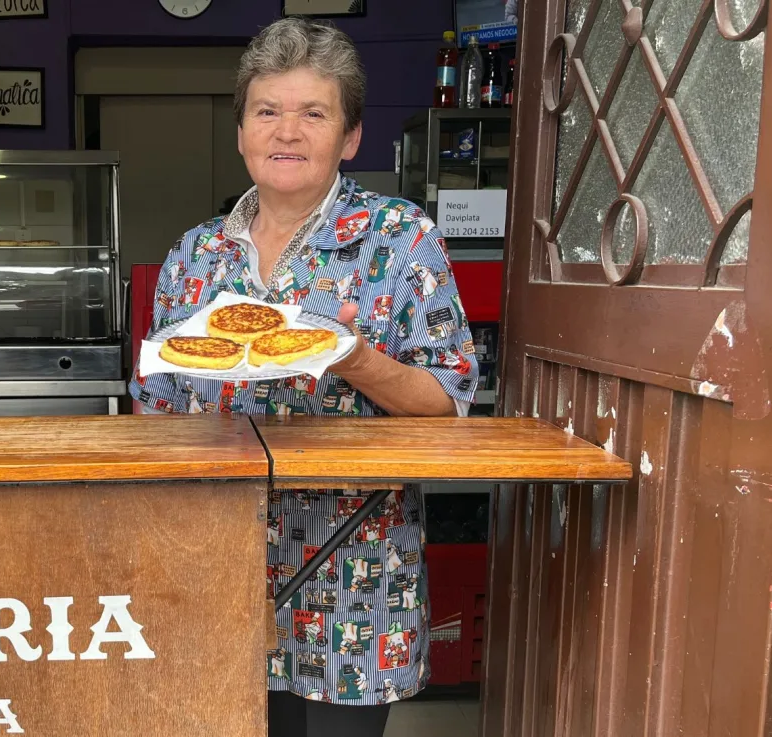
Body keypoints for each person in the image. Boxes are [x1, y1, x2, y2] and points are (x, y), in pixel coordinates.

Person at [129, 17, 479, 737]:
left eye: (314, 114)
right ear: (241, 133)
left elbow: (448, 400)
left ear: (350, 138)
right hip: (219, 567)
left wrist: (353, 357)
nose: (286, 132)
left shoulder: (399, 239)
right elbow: (155, 412)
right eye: (268, 111)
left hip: (354, 576)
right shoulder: (193, 255)